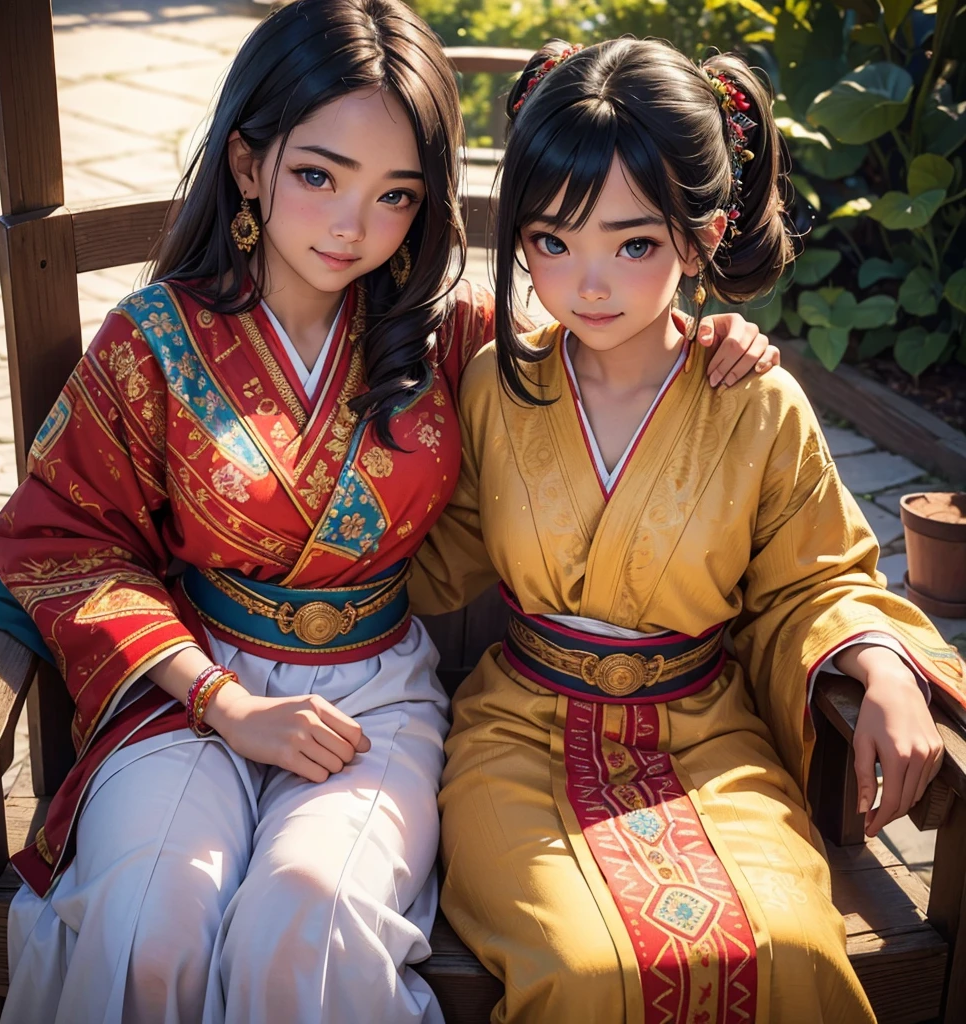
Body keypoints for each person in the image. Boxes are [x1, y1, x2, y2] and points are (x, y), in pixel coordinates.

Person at [0, 4, 776, 1022]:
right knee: (147, 918)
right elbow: (61, 542)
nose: (351, 225)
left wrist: (709, 343)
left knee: (306, 925)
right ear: (249, 164)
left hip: (377, 694)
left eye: (394, 194)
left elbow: (599, 337)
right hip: (190, 683)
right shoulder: (150, 342)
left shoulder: (449, 338)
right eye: (318, 174)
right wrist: (226, 704)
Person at [410, 36, 966, 1024]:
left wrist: (879, 665)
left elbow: (815, 576)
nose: (587, 282)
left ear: (703, 234)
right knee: (585, 970)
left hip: (706, 736)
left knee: (790, 948)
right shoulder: (497, 382)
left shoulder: (755, 403)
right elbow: (431, 545)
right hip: (518, 734)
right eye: (550, 241)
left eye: (633, 244)